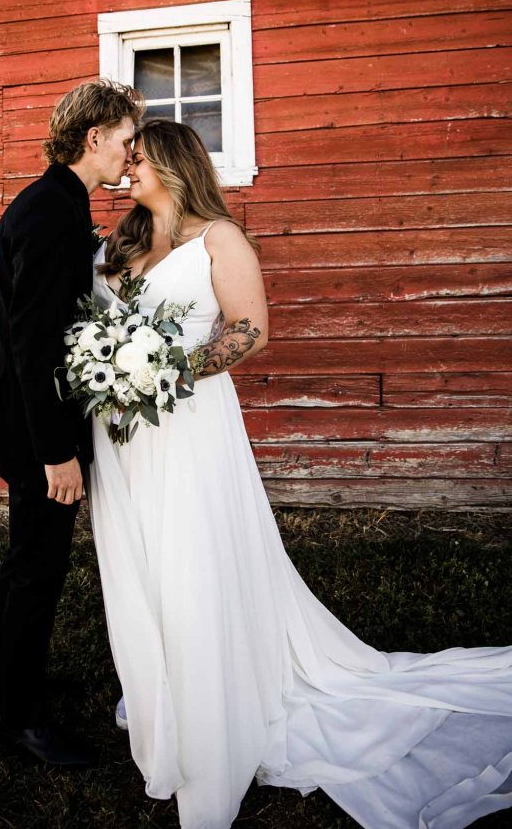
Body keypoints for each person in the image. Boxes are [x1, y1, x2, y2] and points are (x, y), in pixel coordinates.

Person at [88, 118, 512, 828]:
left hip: (187, 427)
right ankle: (165, 685)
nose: (128, 169)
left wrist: (168, 371)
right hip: (124, 440)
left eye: (139, 159)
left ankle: (216, 697)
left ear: (173, 163)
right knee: (143, 565)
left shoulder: (218, 238)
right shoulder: (118, 245)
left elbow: (249, 329)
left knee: (193, 559)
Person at [0, 78, 144, 765]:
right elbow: (32, 343)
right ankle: (20, 719)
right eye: (127, 140)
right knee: (37, 571)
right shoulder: (49, 215)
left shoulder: (61, 204)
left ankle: (4, 679)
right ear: (93, 136)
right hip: (33, 432)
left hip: (30, 424)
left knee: (27, 565)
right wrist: (56, 452)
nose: (132, 156)